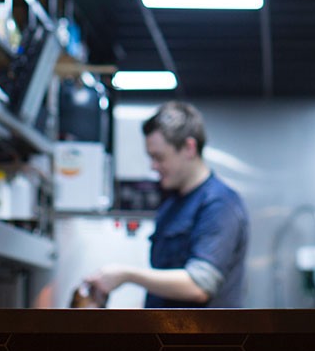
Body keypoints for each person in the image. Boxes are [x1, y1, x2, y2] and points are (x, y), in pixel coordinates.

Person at [84, 101, 249, 307]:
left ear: (189, 148)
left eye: (159, 157)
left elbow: (199, 285)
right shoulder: (171, 205)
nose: (153, 167)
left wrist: (126, 275)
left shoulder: (219, 203)